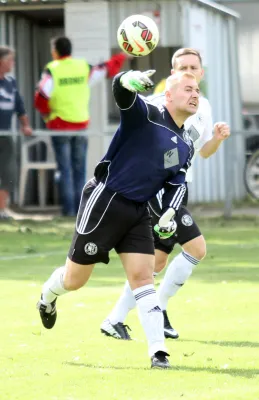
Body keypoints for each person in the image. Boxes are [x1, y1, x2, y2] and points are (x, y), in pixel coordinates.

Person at [36, 68, 200, 369]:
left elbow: (177, 184)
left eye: (197, 91)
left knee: (143, 277)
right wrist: (127, 78)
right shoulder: (147, 113)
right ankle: (47, 297)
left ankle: (158, 352)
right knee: (75, 280)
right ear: (169, 95)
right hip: (106, 200)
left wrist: (170, 214)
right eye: (187, 88)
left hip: (138, 211)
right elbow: (122, 92)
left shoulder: (186, 143)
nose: (194, 94)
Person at [100, 48, 230, 341]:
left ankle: (115, 319)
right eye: (182, 66)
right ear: (172, 73)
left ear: (201, 72)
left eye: (193, 66)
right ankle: (159, 308)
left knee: (154, 263)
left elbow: (202, 152)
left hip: (177, 190)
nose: (189, 69)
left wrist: (218, 139)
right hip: (158, 192)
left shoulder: (202, 107)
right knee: (196, 248)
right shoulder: (162, 103)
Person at [34, 36, 127, 216]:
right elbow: (107, 68)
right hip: (81, 125)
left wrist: (46, 115)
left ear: (55, 51)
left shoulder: (52, 69)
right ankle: (81, 211)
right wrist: (121, 56)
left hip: (59, 126)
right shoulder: (83, 67)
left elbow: (41, 96)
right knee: (80, 170)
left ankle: (68, 211)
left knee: (65, 170)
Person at [0, 46, 32, 220]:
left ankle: (1, 209)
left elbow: (20, 107)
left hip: (5, 135)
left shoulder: (10, 82)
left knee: (9, 172)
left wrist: (25, 125)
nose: (12, 63)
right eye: (9, 60)